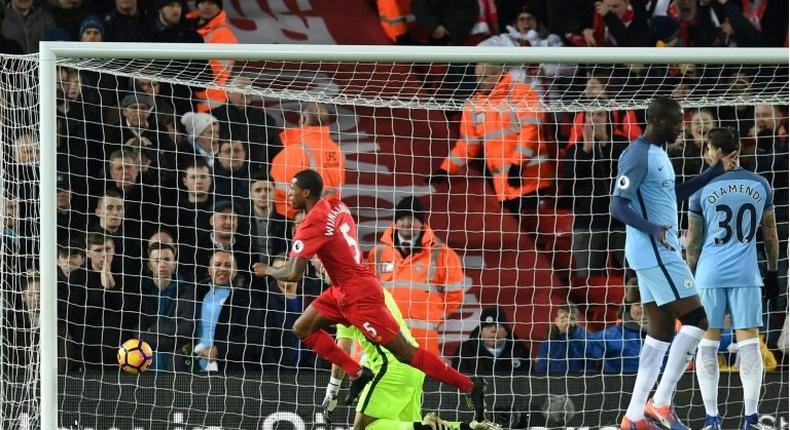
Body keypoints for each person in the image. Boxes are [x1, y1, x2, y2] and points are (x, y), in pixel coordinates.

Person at [252, 169, 489, 423]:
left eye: (292, 189)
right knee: (302, 327)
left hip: (358, 296)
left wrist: (267, 270)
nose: (288, 194)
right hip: (345, 288)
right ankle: (357, 372)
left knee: (405, 354)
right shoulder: (336, 205)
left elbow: (292, 274)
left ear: (306, 193)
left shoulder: (311, 224)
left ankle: (468, 385)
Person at [609, 97, 735, 430]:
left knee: (660, 334)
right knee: (698, 320)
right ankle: (661, 403)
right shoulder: (637, 156)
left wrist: (713, 173)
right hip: (655, 250)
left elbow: (671, 196)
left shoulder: (659, 154)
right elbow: (617, 206)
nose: (683, 126)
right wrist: (654, 229)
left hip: (654, 251)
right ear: (660, 121)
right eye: (678, 122)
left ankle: (634, 417)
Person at [685, 128, 780, 430]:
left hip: (709, 275)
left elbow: (694, 243)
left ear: (713, 150)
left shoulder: (700, 189)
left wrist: (689, 277)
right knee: (750, 345)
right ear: (737, 149)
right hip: (746, 274)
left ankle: (712, 419)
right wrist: (774, 272)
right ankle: (750, 418)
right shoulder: (760, 184)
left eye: (708, 149)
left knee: (707, 346)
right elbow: (770, 234)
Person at [322, 287, 500, 430]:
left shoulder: (344, 299)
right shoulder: (376, 288)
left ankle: (431, 427)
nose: (319, 268)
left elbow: (341, 353)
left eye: (320, 261)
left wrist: (332, 390)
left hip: (391, 367)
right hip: (413, 364)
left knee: (363, 428)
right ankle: (467, 427)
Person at [429, 63, 553, 231]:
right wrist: (445, 169)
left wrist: (518, 164)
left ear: (500, 73)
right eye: (478, 78)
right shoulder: (473, 106)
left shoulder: (521, 92)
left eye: (485, 77)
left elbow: (531, 130)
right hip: (504, 187)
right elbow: (468, 144)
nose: (480, 82)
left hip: (532, 180)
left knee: (531, 235)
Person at [367, 196, 464, 355]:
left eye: (412, 218)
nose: (407, 223)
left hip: (423, 340)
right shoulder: (377, 254)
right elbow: (368, 293)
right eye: (402, 218)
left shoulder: (443, 254)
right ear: (395, 222)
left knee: (424, 380)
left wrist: (434, 317)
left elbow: (455, 296)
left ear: (422, 223)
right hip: (385, 337)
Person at [270, 102, 345, 218]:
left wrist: (296, 215)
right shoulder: (337, 151)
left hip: (298, 220)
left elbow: (279, 193)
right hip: (330, 219)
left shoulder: (293, 152)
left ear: (303, 119)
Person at [454, 306, 530, 375]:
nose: (493, 330)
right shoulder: (465, 351)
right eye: (488, 326)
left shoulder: (520, 351)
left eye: (498, 326)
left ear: (506, 331)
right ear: (481, 331)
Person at [534, 304, 587, 374]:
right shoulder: (548, 341)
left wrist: (574, 332)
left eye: (570, 319)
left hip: (578, 381)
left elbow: (590, 365)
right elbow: (541, 368)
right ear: (556, 320)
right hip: (555, 382)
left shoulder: (584, 339)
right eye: (562, 318)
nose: (566, 322)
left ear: (576, 321)